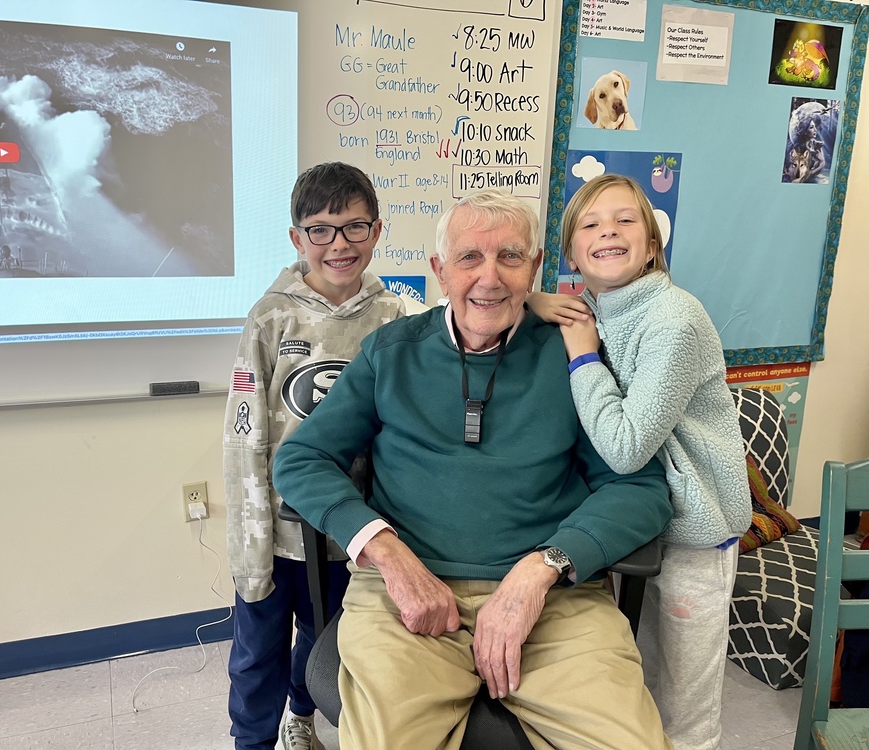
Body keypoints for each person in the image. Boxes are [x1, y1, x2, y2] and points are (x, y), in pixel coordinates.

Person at [273, 188, 675, 750]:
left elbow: (639, 487)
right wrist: (384, 552)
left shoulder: (575, 356)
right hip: (407, 594)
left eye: (510, 257)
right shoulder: (390, 352)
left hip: (553, 598)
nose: (490, 278)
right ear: (440, 270)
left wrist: (542, 569)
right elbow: (301, 458)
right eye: (469, 258)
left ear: (533, 268)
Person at [530, 173, 750, 750]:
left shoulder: (672, 319)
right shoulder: (600, 308)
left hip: (690, 533)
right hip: (634, 527)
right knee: (631, 687)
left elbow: (626, 447)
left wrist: (582, 359)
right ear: (572, 253)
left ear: (652, 245)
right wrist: (532, 298)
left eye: (626, 220)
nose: (609, 231)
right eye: (591, 224)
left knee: (682, 703)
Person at [222, 161, 405, 750]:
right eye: (321, 230)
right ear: (298, 238)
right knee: (258, 653)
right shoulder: (270, 317)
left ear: (377, 233)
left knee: (326, 642)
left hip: (352, 533)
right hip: (278, 535)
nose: (339, 245)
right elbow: (244, 436)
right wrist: (251, 548)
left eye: (354, 227)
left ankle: (301, 717)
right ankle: (252, 741)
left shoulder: (394, 318)